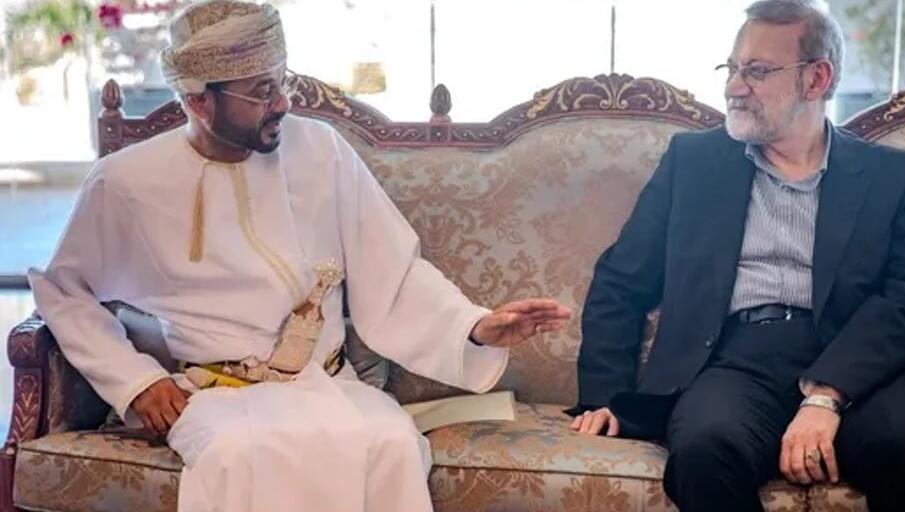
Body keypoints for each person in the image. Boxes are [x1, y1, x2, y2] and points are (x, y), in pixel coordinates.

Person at [28, 1, 570, 511]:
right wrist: (137, 382)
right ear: (198, 100)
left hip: (330, 386)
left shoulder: (321, 150)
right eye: (261, 92)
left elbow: (393, 275)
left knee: (392, 443)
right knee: (237, 456)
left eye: (282, 81)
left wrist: (474, 328)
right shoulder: (127, 181)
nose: (283, 103)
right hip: (217, 399)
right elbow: (64, 290)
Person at [568, 1, 905, 511]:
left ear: (817, 79)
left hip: (870, 365)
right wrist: (604, 397)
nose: (734, 86)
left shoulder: (899, 176)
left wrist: (826, 395)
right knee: (705, 451)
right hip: (735, 361)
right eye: (732, 68)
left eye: (757, 71)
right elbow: (621, 279)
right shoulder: (692, 163)